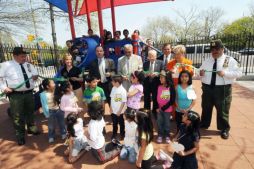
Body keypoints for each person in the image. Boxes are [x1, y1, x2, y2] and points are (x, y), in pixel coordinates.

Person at [199, 39, 242, 139]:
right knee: (206, 107)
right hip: (207, 88)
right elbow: (200, 72)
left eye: (217, 49)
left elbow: (239, 73)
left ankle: (224, 128)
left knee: (222, 109)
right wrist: (200, 73)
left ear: (222, 49)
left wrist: (225, 73)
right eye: (212, 49)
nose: (214, 51)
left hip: (222, 89)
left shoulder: (229, 60)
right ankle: (204, 123)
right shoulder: (207, 60)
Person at [0, 47, 40, 145]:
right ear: (15, 56)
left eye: (25, 56)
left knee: (30, 111)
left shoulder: (28, 65)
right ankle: (20, 135)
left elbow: (35, 74)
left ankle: (31, 128)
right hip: (16, 95)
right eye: (22, 56)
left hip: (29, 93)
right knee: (17, 115)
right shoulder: (6, 65)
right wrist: (4, 88)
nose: (24, 58)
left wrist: (35, 76)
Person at [40, 79, 66, 143]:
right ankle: (51, 136)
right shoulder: (43, 94)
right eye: (52, 83)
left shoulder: (56, 91)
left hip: (58, 109)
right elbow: (43, 105)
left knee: (62, 122)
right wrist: (46, 114)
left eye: (54, 83)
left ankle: (63, 133)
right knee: (51, 125)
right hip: (50, 111)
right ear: (47, 86)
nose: (54, 84)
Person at [156, 70, 175, 144]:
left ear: (167, 78)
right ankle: (160, 135)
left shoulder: (171, 87)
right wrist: (157, 107)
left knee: (167, 123)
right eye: (160, 77)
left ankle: (167, 135)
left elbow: (172, 100)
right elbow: (156, 98)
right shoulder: (159, 86)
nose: (160, 79)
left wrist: (163, 108)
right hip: (159, 109)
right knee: (159, 122)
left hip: (167, 109)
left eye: (162, 78)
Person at [143, 50, 163, 119]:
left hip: (156, 83)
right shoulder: (145, 63)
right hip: (147, 84)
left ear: (156, 56)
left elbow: (163, 72)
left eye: (153, 56)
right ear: (148, 56)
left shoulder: (161, 63)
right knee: (146, 98)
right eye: (150, 56)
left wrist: (157, 74)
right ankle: (146, 112)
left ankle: (155, 111)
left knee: (155, 98)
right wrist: (145, 73)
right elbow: (143, 72)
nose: (151, 58)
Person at [110, 75, 127, 140]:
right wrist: (110, 107)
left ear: (117, 82)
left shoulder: (123, 90)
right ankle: (114, 133)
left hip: (120, 112)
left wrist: (120, 111)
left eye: (113, 81)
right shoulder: (113, 88)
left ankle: (122, 133)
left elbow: (123, 102)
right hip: (114, 111)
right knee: (114, 123)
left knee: (121, 123)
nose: (112, 82)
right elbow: (111, 98)